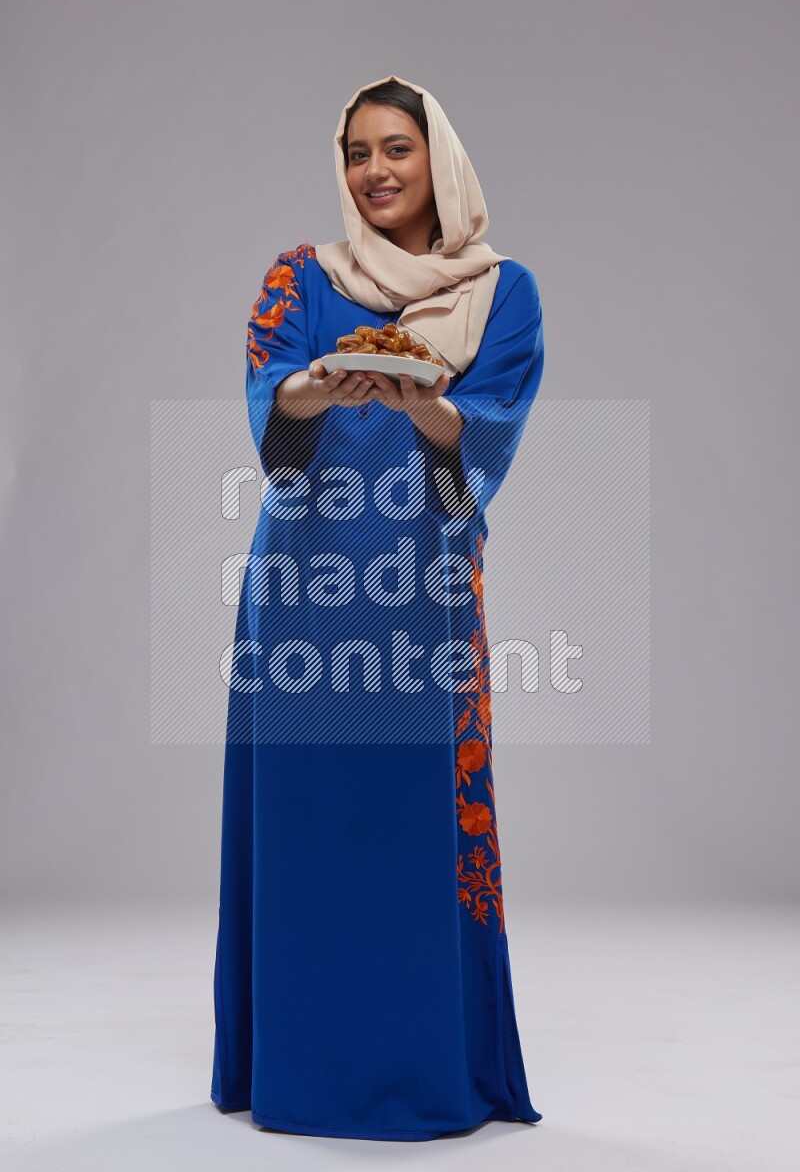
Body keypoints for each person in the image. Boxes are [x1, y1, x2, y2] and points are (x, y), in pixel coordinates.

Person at [211, 73, 545, 1141]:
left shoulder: (501, 293)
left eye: (396, 148)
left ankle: (424, 1061)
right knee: (308, 822)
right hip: (303, 588)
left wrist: (429, 408)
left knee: (412, 824)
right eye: (357, 152)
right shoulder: (301, 277)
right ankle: (303, 1066)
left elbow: (471, 469)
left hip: (423, 590)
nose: (375, 171)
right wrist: (315, 387)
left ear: (437, 158)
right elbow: (276, 433)